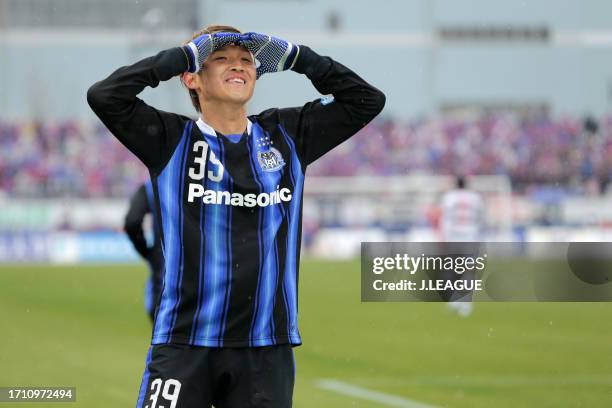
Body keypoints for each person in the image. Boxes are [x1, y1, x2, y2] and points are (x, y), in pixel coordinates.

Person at [87, 24, 385, 408]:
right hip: (184, 343)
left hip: (264, 350)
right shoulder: (169, 138)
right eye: (221, 59)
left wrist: (297, 57)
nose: (239, 66)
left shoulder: (286, 134)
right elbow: (105, 96)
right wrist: (182, 55)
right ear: (192, 77)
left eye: (247, 61)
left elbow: (366, 100)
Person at [439, 176, 484, 317]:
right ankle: (465, 303)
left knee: (452, 270)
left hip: (453, 236)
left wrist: (444, 238)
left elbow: (445, 218)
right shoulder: (475, 198)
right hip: (470, 236)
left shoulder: (449, 197)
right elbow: (481, 218)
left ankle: (455, 299)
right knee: (468, 271)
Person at [124, 181, 164, 323]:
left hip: (166, 288)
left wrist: (148, 253)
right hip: (215, 289)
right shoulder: (215, 185)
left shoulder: (156, 185)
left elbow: (132, 222)